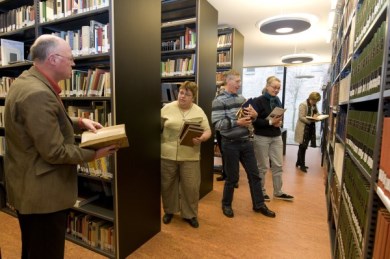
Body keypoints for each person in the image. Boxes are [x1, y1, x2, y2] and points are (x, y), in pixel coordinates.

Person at [4, 34, 117, 259]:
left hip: (29, 187)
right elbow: (54, 152)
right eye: (70, 58)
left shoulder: (27, 81)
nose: (74, 64)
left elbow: (41, 123)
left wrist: (79, 122)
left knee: (33, 249)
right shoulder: (38, 93)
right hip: (43, 196)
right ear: (54, 59)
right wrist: (94, 153)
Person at [211, 69, 276, 218]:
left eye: (240, 81)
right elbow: (218, 124)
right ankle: (226, 205)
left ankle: (259, 205)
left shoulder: (242, 99)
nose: (239, 84)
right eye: (237, 81)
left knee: (255, 175)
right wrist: (237, 122)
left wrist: (254, 116)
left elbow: (250, 120)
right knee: (232, 178)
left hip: (246, 142)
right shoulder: (218, 101)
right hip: (230, 143)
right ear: (228, 81)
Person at [161, 81, 212, 228]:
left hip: (190, 155)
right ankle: (169, 210)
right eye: (181, 93)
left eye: (187, 94)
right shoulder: (166, 108)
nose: (182, 96)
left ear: (193, 97)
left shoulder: (199, 111)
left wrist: (202, 138)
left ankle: (190, 214)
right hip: (167, 154)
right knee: (167, 185)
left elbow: (207, 130)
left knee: (191, 187)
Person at [252, 76, 294, 201]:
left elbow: (279, 116)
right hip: (261, 137)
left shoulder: (277, 100)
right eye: (274, 87)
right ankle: (261, 191)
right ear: (267, 86)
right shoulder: (258, 101)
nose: (276, 90)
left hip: (276, 136)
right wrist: (271, 122)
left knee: (278, 165)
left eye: (278, 88)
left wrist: (279, 123)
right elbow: (255, 122)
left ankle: (278, 191)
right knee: (262, 166)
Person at [294, 92, 322, 173]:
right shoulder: (303, 105)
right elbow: (301, 117)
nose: (315, 103)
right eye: (314, 101)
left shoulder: (313, 105)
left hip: (310, 129)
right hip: (303, 129)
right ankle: (302, 165)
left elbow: (316, 113)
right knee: (302, 146)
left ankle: (298, 162)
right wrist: (311, 121)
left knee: (303, 146)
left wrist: (319, 116)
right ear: (311, 98)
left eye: (316, 101)